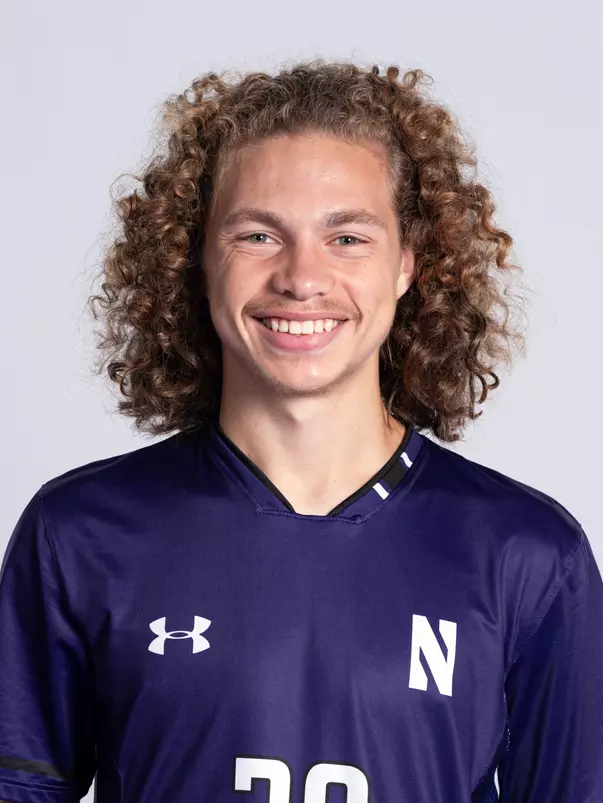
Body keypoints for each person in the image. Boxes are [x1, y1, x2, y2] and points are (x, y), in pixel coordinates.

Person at [0, 59, 601, 803]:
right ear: (196, 258)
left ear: (408, 263)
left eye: (347, 237)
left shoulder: (527, 553)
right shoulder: (80, 532)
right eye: (258, 235)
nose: (300, 277)